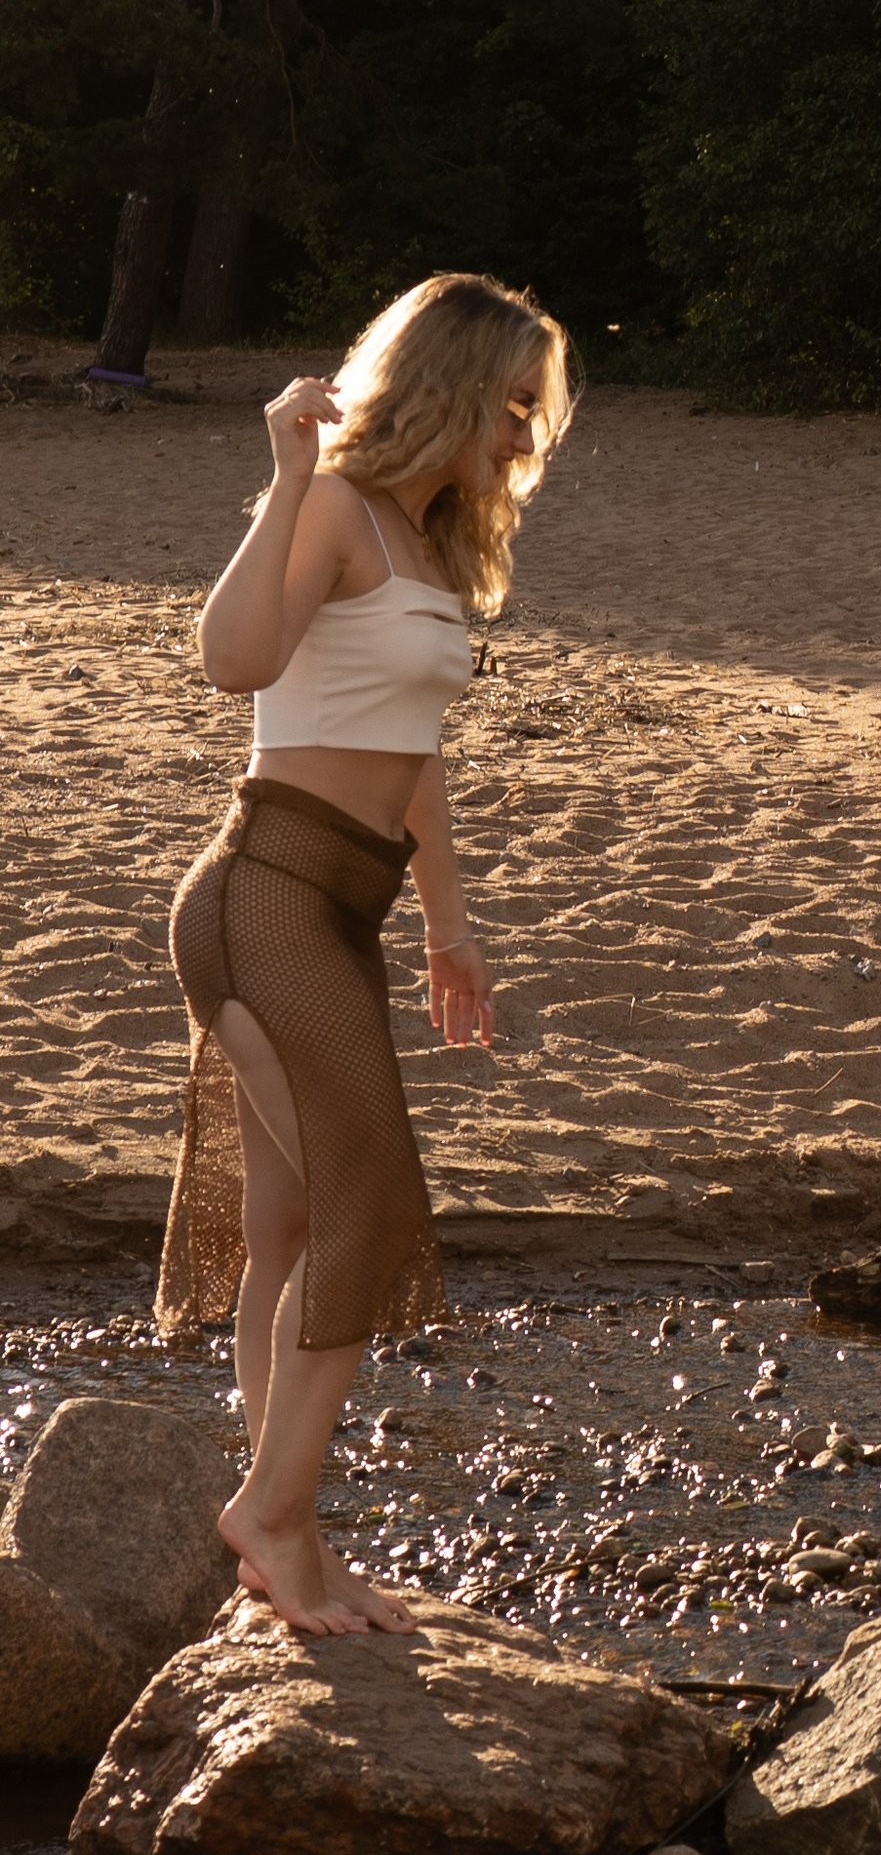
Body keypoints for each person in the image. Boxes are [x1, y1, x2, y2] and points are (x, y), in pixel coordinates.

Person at [160, 272, 573, 1634]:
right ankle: (271, 1516)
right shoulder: (335, 506)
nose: (525, 434)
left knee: (287, 1221)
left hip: (346, 908)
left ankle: (294, 1540)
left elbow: (416, 758)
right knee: (372, 1203)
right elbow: (232, 662)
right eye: (512, 403)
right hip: (263, 893)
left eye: (534, 409)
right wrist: (284, 478)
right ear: (449, 389)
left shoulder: (426, 542)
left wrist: (451, 926)